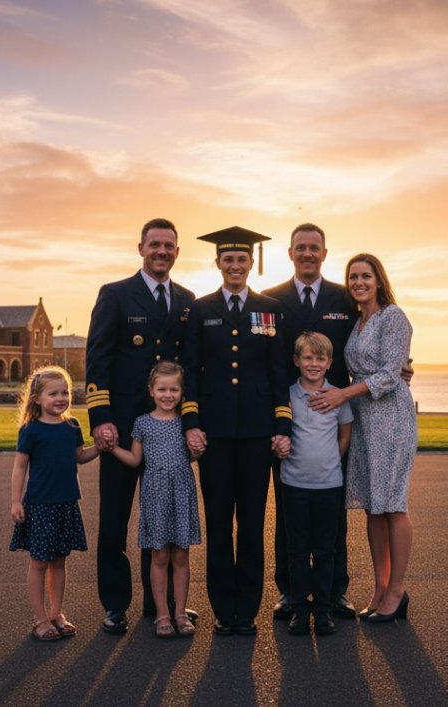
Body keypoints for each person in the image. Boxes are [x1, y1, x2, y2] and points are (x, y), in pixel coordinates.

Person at [85, 218, 197, 635]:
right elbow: (97, 360)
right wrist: (101, 419)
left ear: (177, 252)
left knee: (165, 522)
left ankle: (163, 606)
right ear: (141, 248)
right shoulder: (115, 295)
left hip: (168, 429)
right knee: (115, 519)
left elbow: (191, 368)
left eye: (169, 245)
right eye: (155, 245)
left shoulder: (187, 301)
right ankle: (115, 604)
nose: (162, 252)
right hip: (124, 426)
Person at [182, 225, 293, 637]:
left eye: (241, 260)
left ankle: (245, 610)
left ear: (251, 264)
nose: (234, 266)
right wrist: (191, 424)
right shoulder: (201, 309)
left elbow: (278, 371)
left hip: (256, 433)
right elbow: (191, 370)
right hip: (212, 433)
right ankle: (221, 609)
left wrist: (283, 424)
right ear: (217, 264)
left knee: (250, 523)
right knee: (217, 523)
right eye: (227, 260)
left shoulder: (270, 309)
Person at [307, 253, 416, 623]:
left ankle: (397, 590)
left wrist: (342, 395)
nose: (358, 282)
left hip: (392, 418)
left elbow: (388, 376)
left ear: (379, 280)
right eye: (353, 276)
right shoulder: (357, 321)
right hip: (365, 420)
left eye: (366, 276)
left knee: (393, 503)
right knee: (372, 504)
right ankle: (380, 587)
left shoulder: (393, 317)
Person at [262, 223, 359, 619]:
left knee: (334, 517)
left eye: (314, 248)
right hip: (287, 419)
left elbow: (360, 350)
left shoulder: (344, 298)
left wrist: (397, 367)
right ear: (290, 253)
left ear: (324, 252)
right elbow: (263, 359)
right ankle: (290, 590)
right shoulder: (270, 299)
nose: (307, 254)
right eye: (300, 248)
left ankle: (334, 592)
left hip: (334, 421)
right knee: (288, 514)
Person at [110, 362, 201, 638]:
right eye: (162, 389)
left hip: (182, 490)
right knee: (159, 555)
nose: (168, 394)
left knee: (181, 555)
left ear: (182, 392)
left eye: (174, 389)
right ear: (151, 390)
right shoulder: (142, 423)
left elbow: (193, 456)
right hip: (155, 492)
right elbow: (136, 459)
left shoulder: (187, 423)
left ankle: (180, 613)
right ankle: (161, 614)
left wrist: (199, 448)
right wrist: (112, 447)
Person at [9, 366, 99, 641]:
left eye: (65, 392)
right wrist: (15, 501)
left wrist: (101, 448)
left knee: (59, 561)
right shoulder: (31, 430)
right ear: (37, 398)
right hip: (40, 504)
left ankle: (57, 614)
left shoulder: (72, 426)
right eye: (53, 393)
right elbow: (19, 467)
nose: (61, 398)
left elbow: (79, 458)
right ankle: (39, 619)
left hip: (66, 503)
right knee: (39, 563)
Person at [280, 331, 353, 637]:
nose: (313, 363)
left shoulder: (338, 396)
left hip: (329, 485)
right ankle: (299, 609)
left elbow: (345, 433)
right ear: (296, 360)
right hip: (294, 483)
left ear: (329, 362)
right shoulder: (287, 395)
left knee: (325, 550)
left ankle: (322, 610)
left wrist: (331, 462)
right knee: (297, 550)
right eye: (307, 357)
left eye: (320, 358)